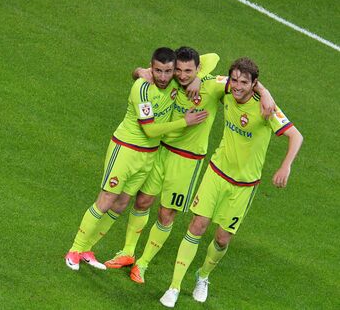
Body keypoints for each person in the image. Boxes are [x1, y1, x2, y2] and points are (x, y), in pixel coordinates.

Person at [105, 47, 275, 285]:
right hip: (161, 149)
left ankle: (142, 264)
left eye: (189, 71)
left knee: (166, 213)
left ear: (198, 70)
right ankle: (127, 252)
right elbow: (138, 74)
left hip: (187, 160)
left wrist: (265, 92)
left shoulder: (213, 85)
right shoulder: (170, 78)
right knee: (143, 201)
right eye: (179, 70)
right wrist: (140, 71)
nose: (182, 75)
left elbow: (241, 80)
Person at [159, 58, 303, 308]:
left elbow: (295, 135)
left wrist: (285, 165)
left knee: (222, 239)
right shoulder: (226, 88)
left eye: (244, 82)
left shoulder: (266, 108)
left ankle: (202, 276)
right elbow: (201, 77)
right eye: (234, 80)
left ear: (254, 84)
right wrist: (193, 79)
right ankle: (174, 286)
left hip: (244, 186)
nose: (237, 86)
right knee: (197, 224)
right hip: (217, 172)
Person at [65, 47, 212, 271]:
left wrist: (198, 79)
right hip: (126, 150)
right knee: (106, 200)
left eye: (168, 72)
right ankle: (74, 250)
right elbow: (151, 130)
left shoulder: (175, 81)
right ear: (151, 68)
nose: (163, 77)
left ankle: (87, 248)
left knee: (122, 204)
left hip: (148, 156)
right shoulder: (142, 87)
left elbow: (212, 58)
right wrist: (185, 122)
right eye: (158, 71)